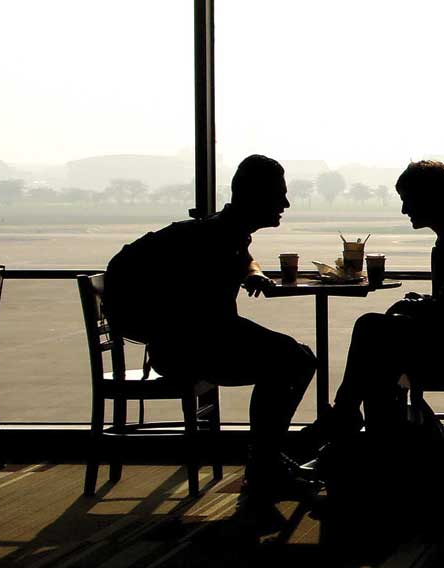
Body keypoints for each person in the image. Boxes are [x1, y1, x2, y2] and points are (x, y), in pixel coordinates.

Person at [102, 154, 318, 498]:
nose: (286, 203)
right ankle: (264, 465)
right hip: (191, 347)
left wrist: (252, 272)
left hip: (195, 340)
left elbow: (245, 256)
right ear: (255, 197)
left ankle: (266, 461)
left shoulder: (221, 231)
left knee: (296, 358)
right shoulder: (215, 239)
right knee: (296, 361)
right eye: (279, 194)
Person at [321, 160, 444, 442]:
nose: (404, 209)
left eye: (408, 200)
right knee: (378, 345)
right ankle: (361, 426)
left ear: (428, 199)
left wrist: (414, 307)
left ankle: (356, 423)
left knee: (371, 330)